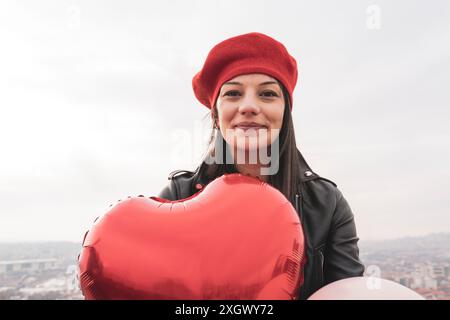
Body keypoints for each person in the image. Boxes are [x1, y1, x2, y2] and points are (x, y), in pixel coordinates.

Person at [158, 32, 365, 300]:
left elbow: (346, 293)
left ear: (285, 111)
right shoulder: (178, 197)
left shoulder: (327, 204)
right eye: (233, 93)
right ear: (216, 115)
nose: (249, 106)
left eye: (267, 94)